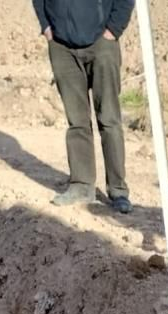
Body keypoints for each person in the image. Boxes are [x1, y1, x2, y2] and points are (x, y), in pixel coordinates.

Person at [32, 0, 134, 214]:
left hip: (102, 44)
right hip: (62, 47)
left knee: (109, 119)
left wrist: (113, 31)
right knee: (76, 121)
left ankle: (118, 190)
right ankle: (81, 185)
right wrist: (47, 29)